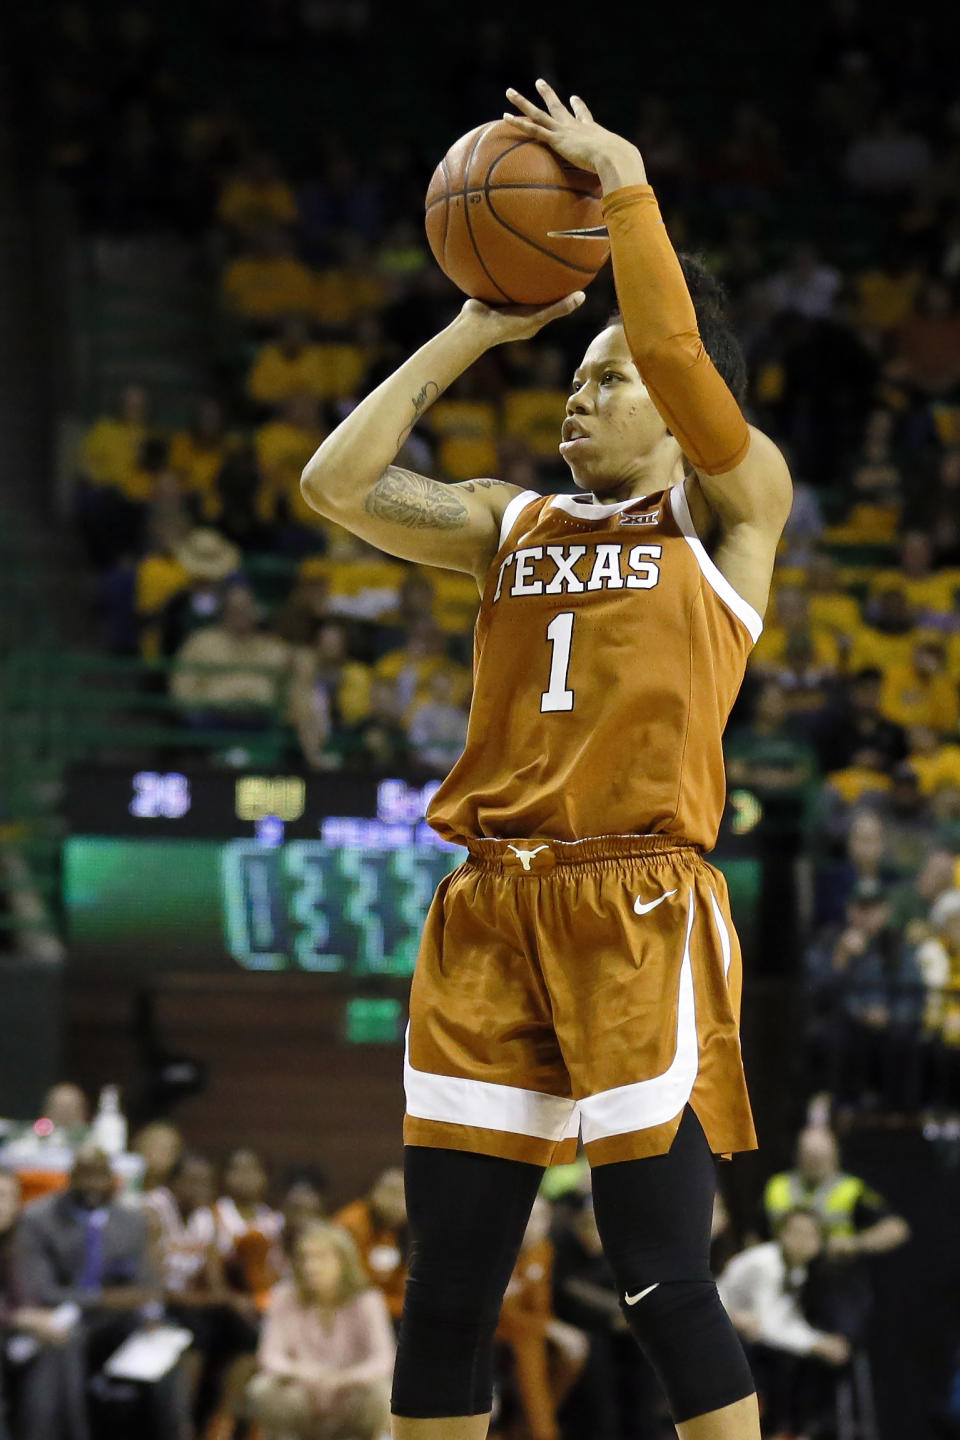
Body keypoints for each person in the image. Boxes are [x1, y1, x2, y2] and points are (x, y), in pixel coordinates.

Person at [300, 80, 793, 1440]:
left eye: (609, 378)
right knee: (446, 1293)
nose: (581, 399)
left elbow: (685, 360)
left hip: (637, 903)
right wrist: (473, 326)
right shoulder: (506, 523)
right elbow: (333, 485)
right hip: (486, 911)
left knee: (657, 1280)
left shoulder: (727, 510)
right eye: (576, 380)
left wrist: (624, 189)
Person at [14, 1146, 187, 1440]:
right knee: (64, 1343)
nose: (94, 1184)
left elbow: (146, 1284)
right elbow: (39, 1290)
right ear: (70, 1177)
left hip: (115, 1321)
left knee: (164, 1340)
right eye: (86, 1176)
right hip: (60, 1316)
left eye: (100, 1176)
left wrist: (150, 1313)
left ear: (113, 1179)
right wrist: (100, 1299)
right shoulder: (38, 1218)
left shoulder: (132, 1221)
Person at [246, 1221, 395, 1440]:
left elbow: (383, 1359)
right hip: (302, 1395)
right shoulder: (284, 1296)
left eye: (321, 1258)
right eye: (306, 1258)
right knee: (264, 1388)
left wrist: (345, 1379)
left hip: (349, 1394)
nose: (311, 1266)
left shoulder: (367, 1300)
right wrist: (303, 1373)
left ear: (344, 1262)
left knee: (383, 1394)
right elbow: (270, 1356)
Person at [718, 1208, 850, 1439]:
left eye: (811, 1235)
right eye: (795, 1233)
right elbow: (769, 1327)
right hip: (720, 1328)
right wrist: (816, 1344)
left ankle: (795, 1430)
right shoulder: (766, 1264)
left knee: (806, 1364)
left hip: (751, 1332)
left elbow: (784, 1320)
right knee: (779, 1360)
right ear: (781, 1234)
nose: (802, 1241)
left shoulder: (799, 1271)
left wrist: (822, 1342)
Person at [334, 1168, 407, 1325]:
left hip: (397, 1312)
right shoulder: (351, 1222)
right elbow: (344, 1278)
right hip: (352, 1308)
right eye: (390, 1192)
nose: (394, 1201)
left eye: (401, 1194)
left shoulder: (412, 1228)